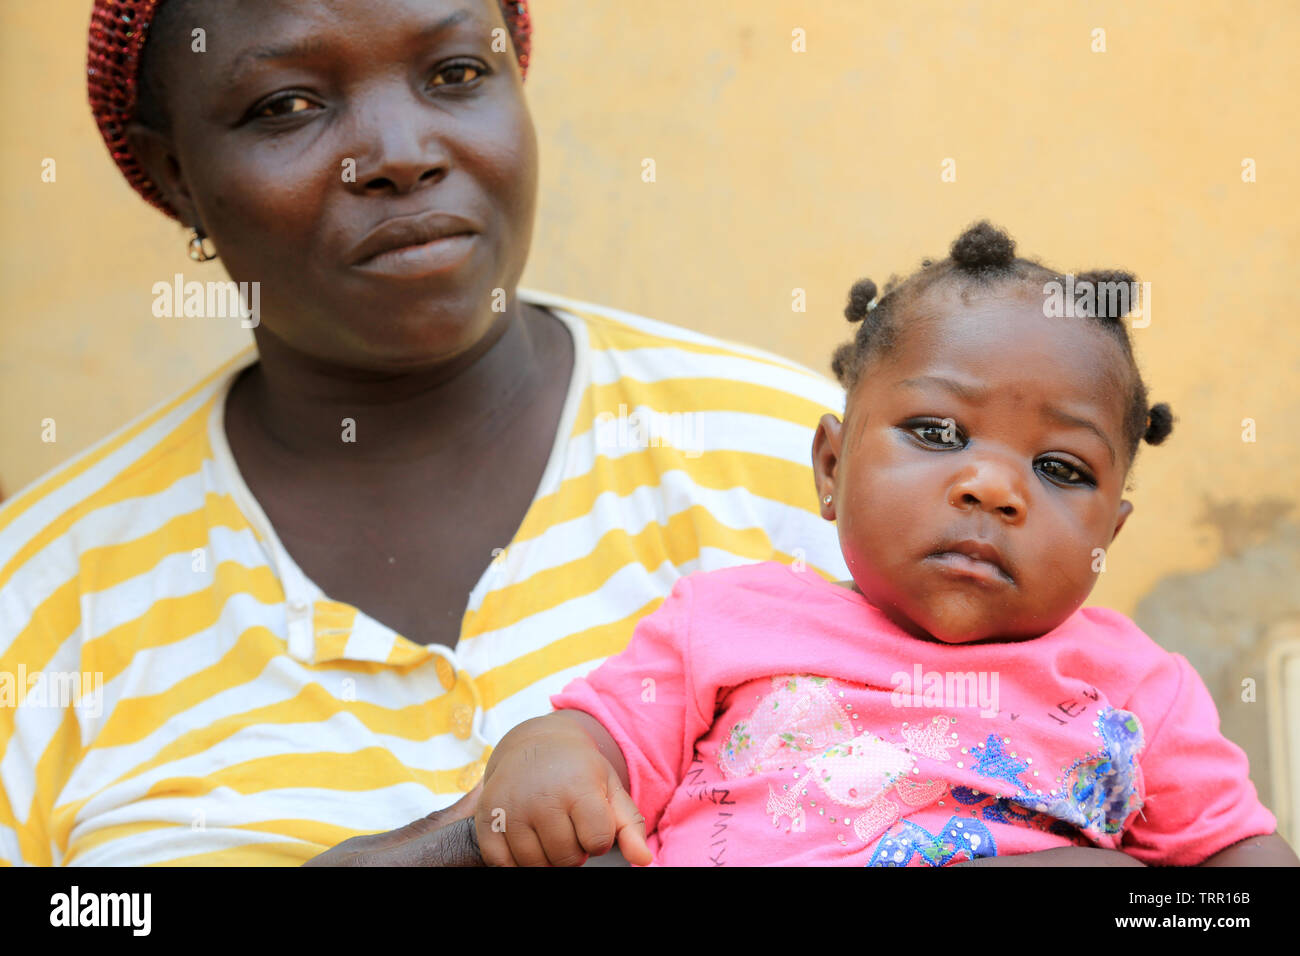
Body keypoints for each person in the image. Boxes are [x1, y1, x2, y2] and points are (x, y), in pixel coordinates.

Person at [0, 0, 850, 866]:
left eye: (455, 73)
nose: (400, 154)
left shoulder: (810, 472)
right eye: (287, 105)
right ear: (175, 172)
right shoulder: (35, 602)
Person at [472, 221, 1299, 866]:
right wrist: (545, 754)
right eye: (937, 432)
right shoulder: (727, 622)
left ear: (1107, 534)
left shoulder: (1138, 690)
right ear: (830, 468)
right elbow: (601, 737)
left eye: (1059, 467)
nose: (994, 488)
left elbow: (1231, 856)